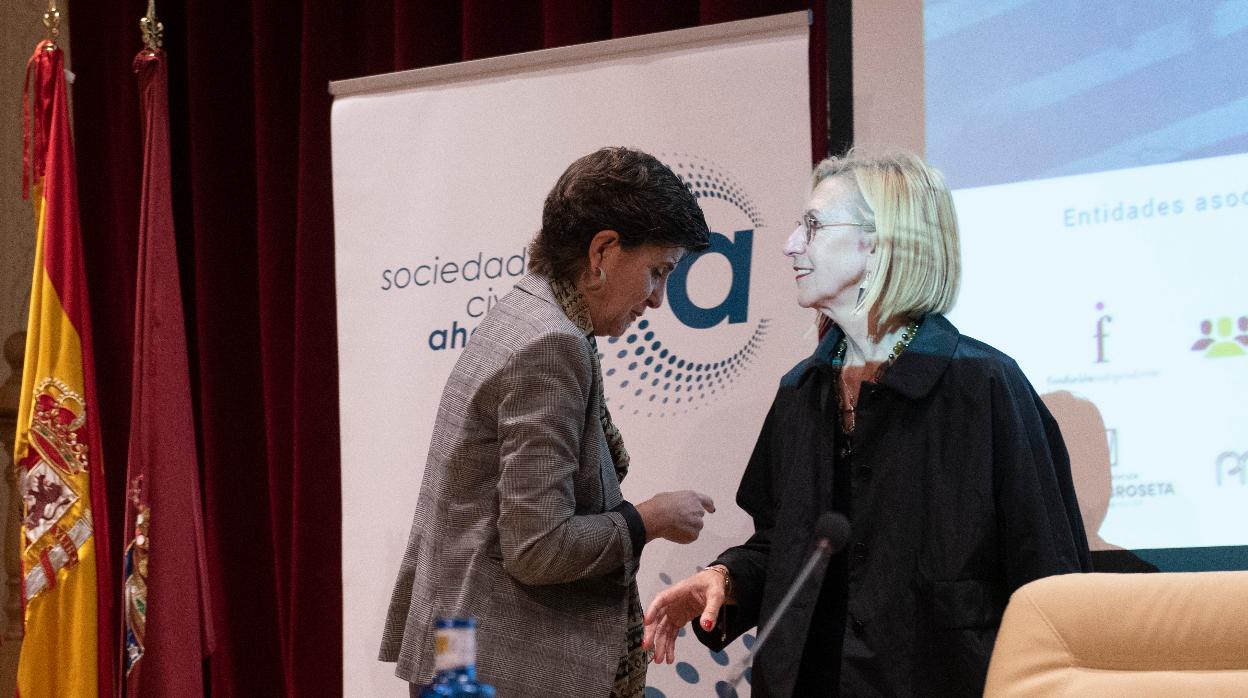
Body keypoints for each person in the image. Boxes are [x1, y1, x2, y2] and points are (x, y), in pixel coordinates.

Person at [642, 151, 1091, 697]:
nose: (789, 245)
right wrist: (725, 579)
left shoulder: (987, 388)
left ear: (880, 242)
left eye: (812, 225)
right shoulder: (800, 392)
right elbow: (783, 548)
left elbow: (1051, 583)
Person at [379, 146, 717, 698]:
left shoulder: (526, 309)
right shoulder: (553, 343)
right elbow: (538, 548)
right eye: (656, 272)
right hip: (500, 669)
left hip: (463, 655)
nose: (657, 299)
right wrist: (649, 519)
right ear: (603, 250)